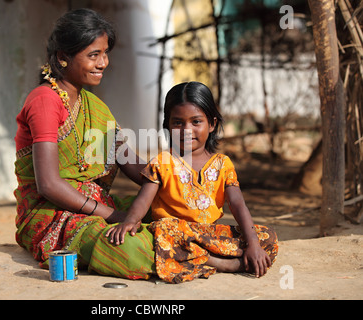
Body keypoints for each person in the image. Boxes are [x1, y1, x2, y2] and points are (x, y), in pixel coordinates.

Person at [14, 8, 156, 280]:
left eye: (105, 53)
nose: (103, 63)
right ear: (63, 57)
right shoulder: (44, 101)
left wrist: (174, 179)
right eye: (94, 55)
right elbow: (49, 185)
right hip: (51, 216)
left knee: (166, 211)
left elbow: (131, 162)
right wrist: (114, 215)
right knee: (131, 249)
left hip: (97, 207)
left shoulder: (94, 106)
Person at [106, 81, 278, 283]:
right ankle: (219, 263)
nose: (186, 129)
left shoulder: (223, 164)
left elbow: (238, 204)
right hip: (174, 234)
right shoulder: (163, 162)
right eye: (178, 122)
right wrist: (129, 222)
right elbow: (143, 200)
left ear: (212, 124)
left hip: (206, 235)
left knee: (267, 237)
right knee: (165, 229)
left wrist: (253, 244)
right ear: (167, 126)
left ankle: (202, 259)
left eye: (196, 122)